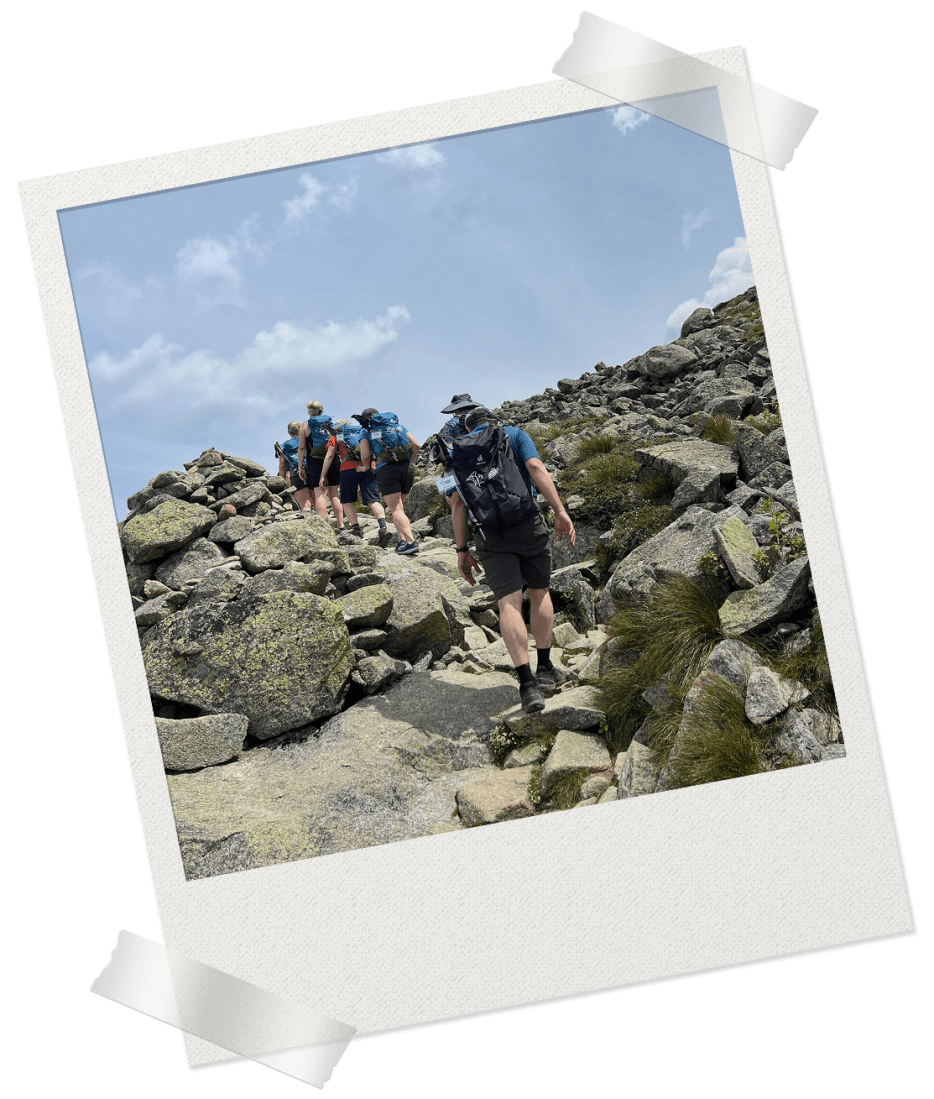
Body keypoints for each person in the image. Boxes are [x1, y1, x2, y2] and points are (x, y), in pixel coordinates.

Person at [449, 407, 576, 714]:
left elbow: (456, 503)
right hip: (528, 523)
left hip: (490, 535)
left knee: (509, 603)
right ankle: (545, 667)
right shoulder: (515, 435)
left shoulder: (456, 453)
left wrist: (462, 549)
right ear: (495, 422)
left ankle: (527, 686)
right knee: (539, 591)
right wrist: (559, 510)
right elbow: (535, 466)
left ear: (467, 428)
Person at [320, 411, 394, 546]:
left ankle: (356, 530)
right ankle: (383, 527)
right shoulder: (363, 430)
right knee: (373, 500)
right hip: (369, 467)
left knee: (347, 501)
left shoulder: (335, 435)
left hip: (348, 469)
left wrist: (323, 475)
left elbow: (330, 455)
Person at [361, 408, 421, 554]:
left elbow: (365, 455)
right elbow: (416, 445)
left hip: (386, 469)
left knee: (396, 509)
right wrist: (410, 462)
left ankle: (410, 542)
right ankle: (401, 541)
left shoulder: (366, 429)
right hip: (407, 467)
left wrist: (366, 468)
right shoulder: (394, 424)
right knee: (399, 507)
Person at [297, 401, 344, 528]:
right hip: (332, 458)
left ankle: (325, 525)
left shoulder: (305, 426)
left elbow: (301, 448)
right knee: (334, 493)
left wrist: (300, 467)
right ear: (321, 410)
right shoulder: (330, 424)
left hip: (315, 460)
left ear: (309, 411)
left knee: (320, 492)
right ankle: (341, 525)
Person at [278, 421, 303, 502]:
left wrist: (282, 482)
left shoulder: (284, 445)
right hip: (310, 471)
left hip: (295, 475)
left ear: (289, 431)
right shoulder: (307, 441)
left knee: (303, 504)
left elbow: (282, 465)